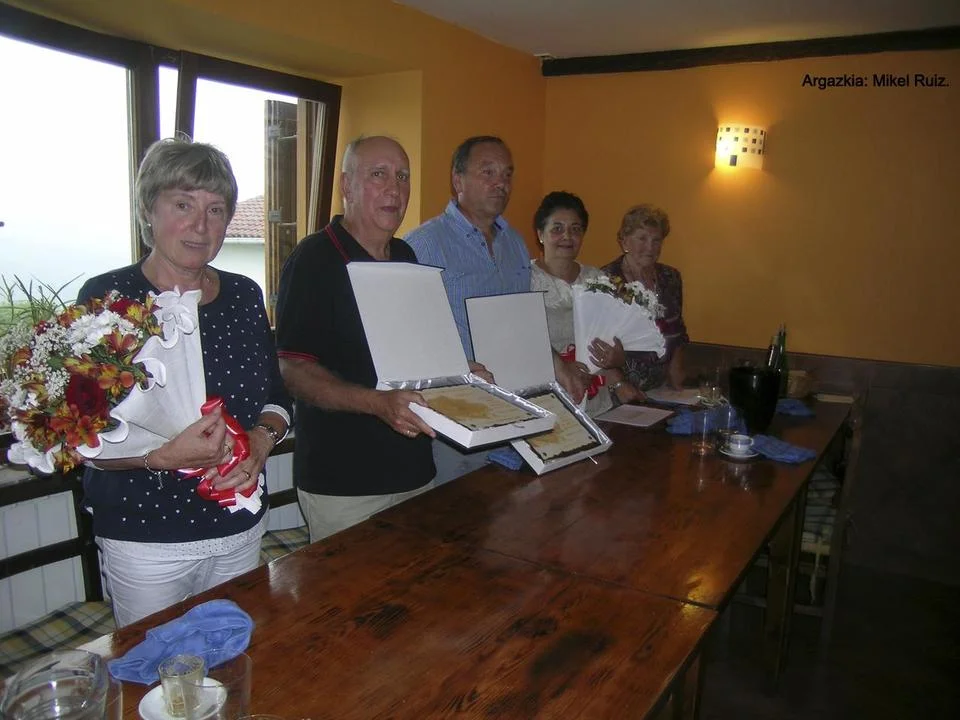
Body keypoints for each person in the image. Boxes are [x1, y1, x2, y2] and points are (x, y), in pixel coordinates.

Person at [76, 138, 292, 627]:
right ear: (148, 210)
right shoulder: (108, 299)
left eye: (215, 210)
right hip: (145, 538)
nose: (201, 225)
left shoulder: (243, 295)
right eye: (183, 205)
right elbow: (81, 434)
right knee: (155, 665)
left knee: (232, 654)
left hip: (239, 524)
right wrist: (160, 457)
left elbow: (276, 397)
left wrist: (261, 441)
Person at [275, 136, 436, 543]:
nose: (394, 189)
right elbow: (293, 370)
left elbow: (417, 354)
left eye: (403, 177)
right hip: (345, 486)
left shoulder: (406, 256)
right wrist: (377, 404)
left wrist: (459, 372)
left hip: (416, 472)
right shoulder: (313, 260)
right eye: (378, 174)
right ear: (346, 186)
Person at [405, 136, 591, 485]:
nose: (501, 183)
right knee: (453, 509)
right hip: (454, 415)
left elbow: (523, 321)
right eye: (487, 172)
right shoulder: (422, 245)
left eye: (507, 174)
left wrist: (559, 365)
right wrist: (457, 367)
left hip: (513, 407)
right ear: (457, 180)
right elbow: (407, 337)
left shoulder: (514, 244)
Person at [530, 191, 642, 415]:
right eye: (557, 228)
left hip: (596, 399)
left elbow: (610, 337)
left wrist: (617, 359)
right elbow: (521, 340)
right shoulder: (525, 279)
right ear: (540, 234)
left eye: (575, 229)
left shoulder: (597, 278)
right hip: (545, 398)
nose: (567, 236)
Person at [602, 204, 688, 391]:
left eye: (656, 240)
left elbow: (678, 331)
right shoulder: (607, 280)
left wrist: (677, 384)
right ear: (624, 241)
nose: (650, 247)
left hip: (663, 386)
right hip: (622, 388)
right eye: (642, 238)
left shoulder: (670, 277)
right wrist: (621, 386)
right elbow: (600, 341)